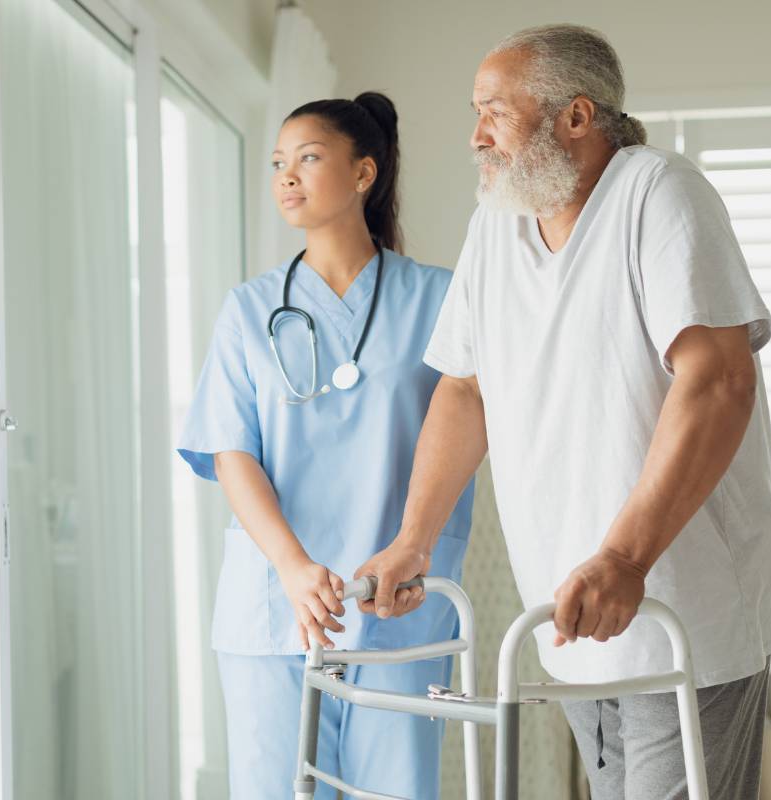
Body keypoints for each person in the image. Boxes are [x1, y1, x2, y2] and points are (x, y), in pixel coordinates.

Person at [356, 25, 771, 800]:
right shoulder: (499, 222)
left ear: (576, 117)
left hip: (680, 613)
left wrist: (624, 559)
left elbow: (718, 381)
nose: (475, 134)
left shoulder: (660, 192)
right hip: (571, 617)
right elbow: (465, 387)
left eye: (493, 110)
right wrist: (413, 540)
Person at [175, 91, 474, 799]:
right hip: (274, 608)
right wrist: (292, 566)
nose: (286, 175)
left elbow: (471, 424)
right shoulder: (249, 309)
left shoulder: (440, 298)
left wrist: (413, 541)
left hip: (399, 608)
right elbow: (229, 450)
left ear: (364, 173)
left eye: (308, 158)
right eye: (279, 162)